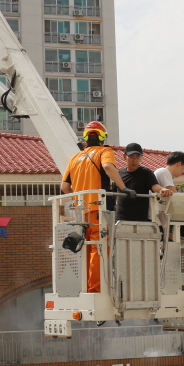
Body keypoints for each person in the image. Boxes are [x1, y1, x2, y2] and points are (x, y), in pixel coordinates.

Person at [60, 121, 135, 293]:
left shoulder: (74, 158)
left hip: (80, 213)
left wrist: (80, 198)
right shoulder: (104, 151)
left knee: (85, 247)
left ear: (86, 137)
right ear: (102, 137)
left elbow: (64, 187)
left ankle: (86, 287)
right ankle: (96, 289)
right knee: (98, 247)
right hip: (98, 210)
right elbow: (108, 166)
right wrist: (123, 188)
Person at [116, 142, 171, 222]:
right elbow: (114, 194)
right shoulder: (119, 173)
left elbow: (154, 186)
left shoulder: (146, 172)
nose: (135, 160)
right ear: (124, 157)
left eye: (138, 157)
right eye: (131, 157)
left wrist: (162, 189)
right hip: (120, 218)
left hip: (140, 219)